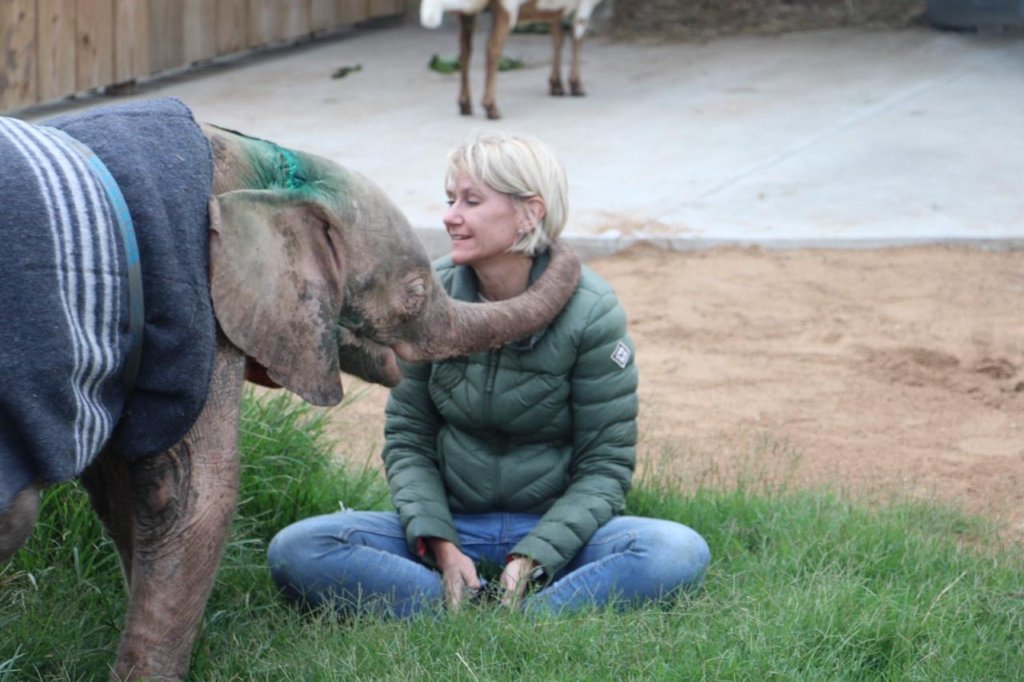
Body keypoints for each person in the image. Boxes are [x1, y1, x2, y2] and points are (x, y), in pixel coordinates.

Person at [267, 131, 710, 618]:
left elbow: (604, 466)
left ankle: (530, 617)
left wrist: (536, 555)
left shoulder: (593, 312)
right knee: (298, 548)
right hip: (454, 526)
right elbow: (409, 439)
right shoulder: (424, 296)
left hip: (559, 532)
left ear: (529, 213)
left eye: (471, 201)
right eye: (450, 199)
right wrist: (441, 545)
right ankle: (455, 600)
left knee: (675, 549)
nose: (449, 216)